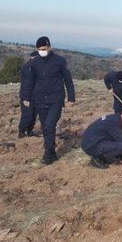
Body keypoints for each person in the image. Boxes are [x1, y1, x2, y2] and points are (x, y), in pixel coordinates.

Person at [20, 36, 75, 164]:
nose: (42, 51)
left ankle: (48, 154)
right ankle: (52, 153)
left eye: (44, 48)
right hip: (39, 99)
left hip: (56, 99)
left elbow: (68, 80)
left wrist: (71, 98)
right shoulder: (34, 63)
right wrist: (26, 97)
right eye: (39, 49)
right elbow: (29, 81)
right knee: (46, 127)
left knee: (50, 125)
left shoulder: (60, 61)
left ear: (49, 47)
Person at [18, 50, 39, 138]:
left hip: (35, 95)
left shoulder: (36, 67)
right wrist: (26, 99)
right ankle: (22, 131)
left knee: (34, 114)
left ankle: (30, 131)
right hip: (28, 96)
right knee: (27, 114)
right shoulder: (28, 67)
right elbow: (26, 84)